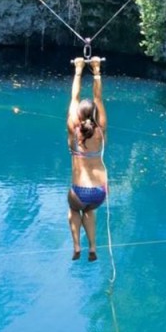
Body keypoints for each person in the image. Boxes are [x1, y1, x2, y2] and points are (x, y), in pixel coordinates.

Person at [67, 56, 107, 262]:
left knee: (74, 210)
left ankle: (77, 245)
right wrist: (96, 69)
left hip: (79, 191)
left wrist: (79, 69)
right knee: (90, 211)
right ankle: (93, 247)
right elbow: (98, 99)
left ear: (79, 116)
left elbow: (74, 99)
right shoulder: (100, 130)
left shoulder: (74, 130)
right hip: (99, 192)